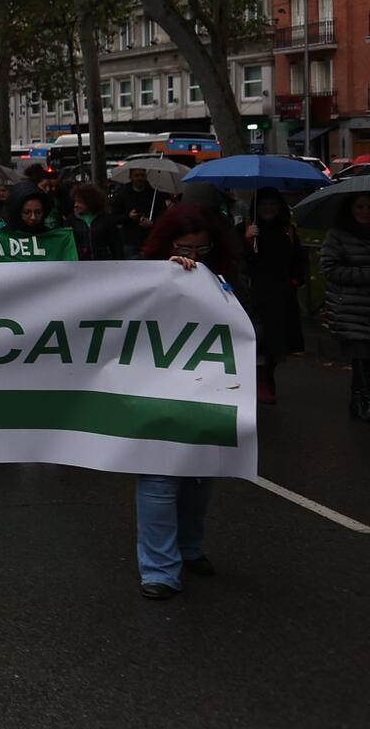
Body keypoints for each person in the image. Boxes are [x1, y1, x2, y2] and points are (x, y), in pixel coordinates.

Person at [135, 203, 241, 598]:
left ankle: (189, 549)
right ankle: (159, 570)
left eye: (203, 249)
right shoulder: (143, 274)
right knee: (160, 476)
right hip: (154, 389)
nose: (195, 257)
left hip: (204, 386)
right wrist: (168, 278)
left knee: (198, 476)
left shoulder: (223, 276)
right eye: (186, 248)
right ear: (167, 243)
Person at [241, 187, 305, 405]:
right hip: (256, 294)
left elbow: (299, 258)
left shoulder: (287, 230)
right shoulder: (247, 229)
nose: (268, 209)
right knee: (261, 339)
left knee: (279, 342)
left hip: (282, 295)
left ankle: (268, 375)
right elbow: (239, 261)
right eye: (264, 204)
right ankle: (261, 380)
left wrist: (296, 279)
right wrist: (247, 242)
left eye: (272, 204)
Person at [322, 191, 370, 421]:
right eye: (360, 206)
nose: (365, 212)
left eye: (369, 207)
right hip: (350, 309)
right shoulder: (338, 235)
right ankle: (361, 401)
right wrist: (364, 274)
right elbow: (330, 269)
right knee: (361, 357)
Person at [110, 169, 163, 258]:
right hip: (130, 240)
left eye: (142, 175)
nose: (140, 178)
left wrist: (152, 223)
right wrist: (128, 216)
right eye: (136, 175)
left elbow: (163, 215)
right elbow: (114, 217)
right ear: (130, 177)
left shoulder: (154, 195)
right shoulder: (122, 194)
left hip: (150, 239)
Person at [67, 184, 126, 261]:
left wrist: (119, 262)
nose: (75, 205)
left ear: (90, 202)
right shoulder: (71, 220)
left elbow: (116, 244)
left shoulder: (106, 219)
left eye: (79, 202)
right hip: (80, 264)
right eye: (75, 201)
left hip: (104, 263)